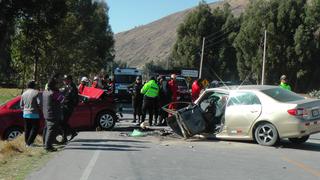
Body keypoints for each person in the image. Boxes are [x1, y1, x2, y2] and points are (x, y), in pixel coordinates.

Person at [42, 79, 63, 152]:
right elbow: (61, 99)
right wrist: (61, 92)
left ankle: (45, 144)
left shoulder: (45, 92)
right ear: (54, 85)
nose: (58, 85)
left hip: (46, 113)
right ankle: (48, 146)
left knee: (46, 129)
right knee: (51, 130)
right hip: (53, 114)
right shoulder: (53, 93)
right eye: (56, 84)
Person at [20, 80, 41, 147]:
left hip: (25, 113)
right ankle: (29, 142)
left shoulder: (24, 93)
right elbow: (39, 103)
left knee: (27, 129)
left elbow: (21, 105)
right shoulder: (36, 92)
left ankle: (27, 143)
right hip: (34, 113)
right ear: (34, 86)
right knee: (35, 128)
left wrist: (25, 109)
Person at [60, 75, 79, 143]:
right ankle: (69, 134)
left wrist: (72, 106)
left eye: (65, 79)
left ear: (69, 80)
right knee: (63, 122)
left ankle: (67, 135)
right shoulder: (67, 86)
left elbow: (69, 97)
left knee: (63, 121)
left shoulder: (72, 87)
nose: (64, 81)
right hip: (65, 106)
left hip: (68, 106)